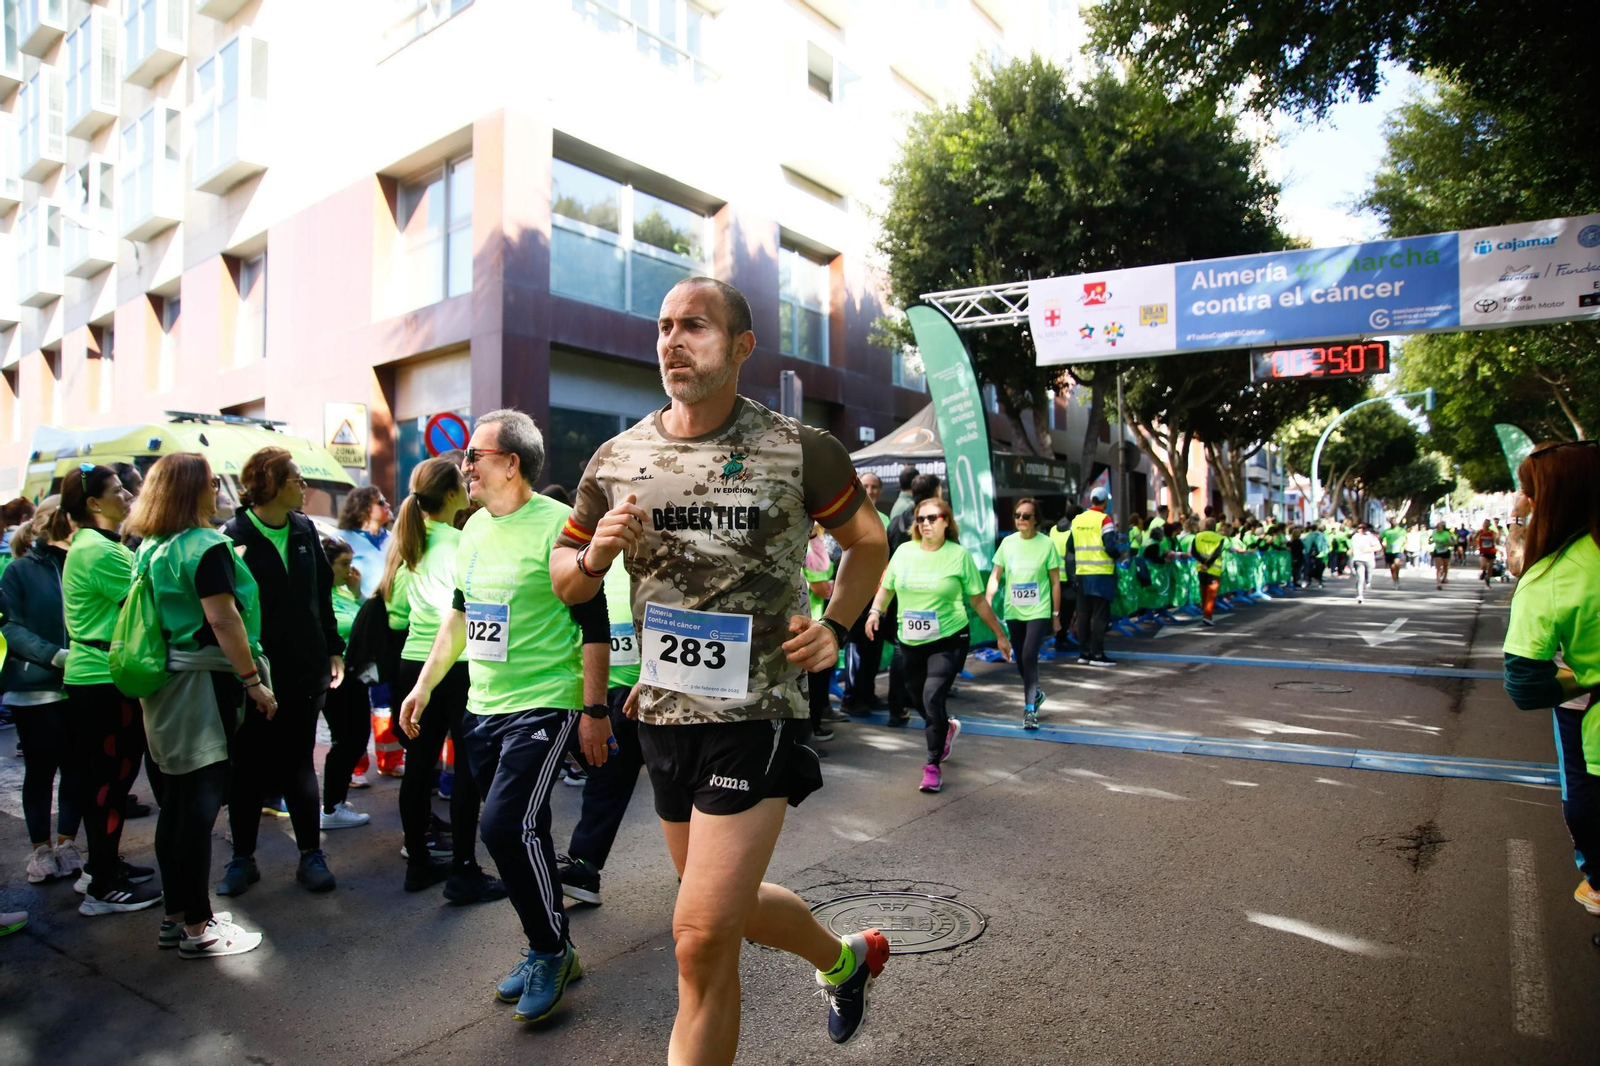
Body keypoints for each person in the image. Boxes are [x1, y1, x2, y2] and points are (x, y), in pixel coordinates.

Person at [550, 276, 892, 1057]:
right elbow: (566, 577)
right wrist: (594, 555)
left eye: (694, 326)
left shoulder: (800, 448)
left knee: (700, 936)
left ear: (742, 346)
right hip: (662, 715)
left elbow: (867, 542)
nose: (673, 340)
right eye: (664, 326)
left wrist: (837, 625)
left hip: (756, 712)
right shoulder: (618, 457)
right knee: (722, 912)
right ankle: (844, 962)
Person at [401, 408, 609, 1025]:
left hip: (546, 700)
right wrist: (422, 685)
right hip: (483, 705)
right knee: (526, 831)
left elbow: (594, 625)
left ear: (511, 463)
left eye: (474, 455)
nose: (464, 466)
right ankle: (552, 945)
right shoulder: (471, 529)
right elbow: (461, 616)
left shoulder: (560, 526)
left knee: (501, 826)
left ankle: (549, 950)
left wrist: (594, 710)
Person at [127, 453, 271, 958]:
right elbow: (223, 620)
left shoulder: (151, 546)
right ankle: (198, 928)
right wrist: (253, 681)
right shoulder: (204, 546)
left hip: (164, 684)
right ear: (193, 490)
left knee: (176, 807)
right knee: (198, 810)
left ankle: (177, 917)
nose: (217, 489)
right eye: (211, 482)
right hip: (201, 687)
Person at [217, 448, 344, 896]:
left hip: (305, 670)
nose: (304, 486)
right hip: (253, 673)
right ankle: (242, 859)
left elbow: (321, 595)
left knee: (299, 763)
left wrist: (333, 648)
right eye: (296, 479)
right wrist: (247, 674)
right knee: (248, 768)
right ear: (270, 484)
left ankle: (311, 855)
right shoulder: (232, 536)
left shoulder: (305, 528)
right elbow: (224, 612)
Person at [382, 456, 504, 902]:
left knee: (419, 764)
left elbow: (395, 615)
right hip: (460, 662)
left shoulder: (408, 544)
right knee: (467, 766)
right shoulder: (464, 540)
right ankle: (463, 870)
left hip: (414, 663)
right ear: (453, 495)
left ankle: (417, 862)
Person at [1501, 440, 1600, 915]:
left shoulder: (1554, 575)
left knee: (1583, 801)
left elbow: (1525, 684)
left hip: (1587, 721)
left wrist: (1588, 679)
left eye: (1528, 491)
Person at [60, 463, 160, 914]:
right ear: (93, 503)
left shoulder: (95, 545)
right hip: (103, 681)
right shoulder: (100, 551)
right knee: (108, 783)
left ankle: (104, 866)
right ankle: (102, 886)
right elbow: (150, 604)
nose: (128, 497)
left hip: (99, 677)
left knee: (110, 782)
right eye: (118, 490)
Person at [870, 496, 1011, 781]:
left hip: (949, 638)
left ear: (946, 522)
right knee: (917, 697)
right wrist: (875, 612)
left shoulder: (959, 555)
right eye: (920, 518)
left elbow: (978, 601)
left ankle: (932, 765)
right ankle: (945, 728)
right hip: (909, 640)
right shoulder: (904, 552)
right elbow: (887, 588)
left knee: (932, 696)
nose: (925, 523)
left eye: (932, 518)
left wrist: (1000, 635)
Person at [2, 500, 84, 886]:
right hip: (35, 689)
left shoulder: (80, 563)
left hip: (79, 686)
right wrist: (54, 655)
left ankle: (67, 845)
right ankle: (41, 850)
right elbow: (10, 627)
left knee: (76, 769)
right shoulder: (19, 570)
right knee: (40, 771)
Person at [556, 559, 645, 908]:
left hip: (652, 687)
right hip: (601, 693)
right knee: (606, 777)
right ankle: (585, 867)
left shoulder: (656, 551)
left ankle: (699, 872)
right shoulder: (588, 558)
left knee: (678, 784)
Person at [317, 536, 373, 831]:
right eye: (343, 564)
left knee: (357, 737)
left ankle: (335, 801)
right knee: (346, 740)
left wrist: (357, 592)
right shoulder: (318, 595)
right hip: (335, 677)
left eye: (351, 563)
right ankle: (331, 807)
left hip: (355, 674)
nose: (349, 570)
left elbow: (368, 620)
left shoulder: (343, 591)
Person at [987, 497, 1058, 729]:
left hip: (1039, 610)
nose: (1020, 519)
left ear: (1036, 519)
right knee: (1020, 658)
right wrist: (988, 598)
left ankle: (1029, 711)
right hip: (1014, 610)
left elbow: (1055, 582)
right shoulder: (1007, 543)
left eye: (1026, 516)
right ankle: (1035, 694)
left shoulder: (1046, 544)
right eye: (1017, 515)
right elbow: (996, 574)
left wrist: (1056, 614)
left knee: (1029, 655)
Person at [883, 473, 941, 724]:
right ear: (935, 493)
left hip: (901, 593)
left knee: (902, 651)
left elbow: (886, 558)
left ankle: (897, 708)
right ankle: (929, 709)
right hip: (929, 595)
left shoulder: (897, 521)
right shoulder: (937, 522)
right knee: (933, 652)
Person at [840, 472, 889, 716]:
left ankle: (868, 694)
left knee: (873, 647)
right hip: (853, 594)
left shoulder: (885, 519)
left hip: (877, 595)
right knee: (856, 648)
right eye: (866, 486)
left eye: (875, 487)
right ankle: (851, 699)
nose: (870, 491)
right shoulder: (845, 516)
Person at [1067, 485, 1120, 665]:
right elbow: (1110, 547)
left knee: (1083, 614)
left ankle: (1084, 653)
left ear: (1092, 501)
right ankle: (1097, 654)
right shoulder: (1105, 520)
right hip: (1101, 574)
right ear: (1105, 502)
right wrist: (1118, 554)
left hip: (1082, 574)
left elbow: (1070, 547)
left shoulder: (1077, 520)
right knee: (1099, 615)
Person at [802, 524, 838, 745]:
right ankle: (809, 734)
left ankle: (810, 732)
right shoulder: (803, 544)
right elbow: (821, 586)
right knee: (813, 684)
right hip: (807, 624)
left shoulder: (806, 540)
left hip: (810, 622)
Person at [1050, 503, 1081, 649]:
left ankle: (1059, 637)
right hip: (1068, 577)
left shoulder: (1053, 529)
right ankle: (1061, 639)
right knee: (1067, 611)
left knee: (1058, 610)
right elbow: (1070, 558)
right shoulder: (1074, 531)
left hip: (1053, 575)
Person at [1191, 520, 1227, 626]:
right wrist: (1208, 563)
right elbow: (1217, 553)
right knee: (1211, 594)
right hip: (1213, 569)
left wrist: (1203, 563)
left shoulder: (1197, 536)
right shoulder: (1219, 538)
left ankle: (1205, 613)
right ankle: (1207, 616)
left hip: (1201, 568)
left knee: (1203, 591)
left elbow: (1194, 552)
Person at [1350, 523, 1380, 604]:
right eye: (1359, 528)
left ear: (1366, 529)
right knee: (1360, 578)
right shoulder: (1355, 536)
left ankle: (1368, 582)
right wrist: (1350, 550)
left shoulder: (1371, 537)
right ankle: (1359, 595)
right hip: (1358, 559)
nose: (1361, 529)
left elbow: (1378, 547)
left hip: (1369, 559)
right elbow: (1353, 546)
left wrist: (1367, 550)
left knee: (1368, 576)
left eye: (1363, 528)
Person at [1380, 522, 1406, 588]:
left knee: (1396, 564)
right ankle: (1395, 581)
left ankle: (1397, 579)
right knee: (1392, 567)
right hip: (1389, 551)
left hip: (1398, 550)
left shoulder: (1401, 530)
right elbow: (1381, 538)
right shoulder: (1386, 531)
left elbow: (1406, 539)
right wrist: (1383, 545)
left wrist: (1404, 547)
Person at [1303, 522, 1328, 588]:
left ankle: (1309, 580)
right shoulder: (1320, 535)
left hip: (1310, 554)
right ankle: (1320, 581)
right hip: (1320, 554)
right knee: (1320, 568)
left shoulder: (1308, 535)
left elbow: (1305, 544)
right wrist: (1325, 553)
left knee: (1309, 567)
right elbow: (1325, 544)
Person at [1430, 522, 1454, 589]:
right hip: (1437, 551)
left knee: (1445, 566)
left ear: (1442, 528)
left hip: (1445, 551)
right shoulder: (1434, 534)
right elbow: (1430, 541)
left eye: (1440, 527)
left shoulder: (1446, 534)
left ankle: (1444, 577)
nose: (1438, 529)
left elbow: (1452, 543)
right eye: (1437, 527)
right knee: (1438, 568)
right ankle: (1438, 583)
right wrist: (1431, 541)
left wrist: (1444, 543)